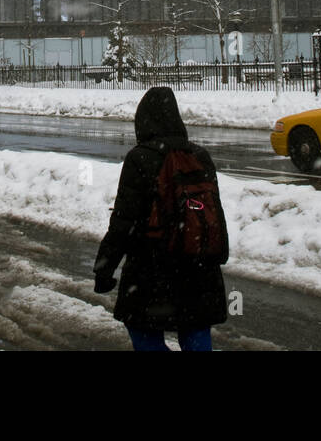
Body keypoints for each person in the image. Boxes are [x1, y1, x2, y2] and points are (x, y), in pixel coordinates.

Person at [93, 86, 230, 352]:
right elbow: (215, 212)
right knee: (195, 329)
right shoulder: (200, 155)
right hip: (199, 266)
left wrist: (104, 268)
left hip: (153, 269)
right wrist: (217, 254)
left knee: (143, 332)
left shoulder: (140, 158)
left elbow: (124, 222)